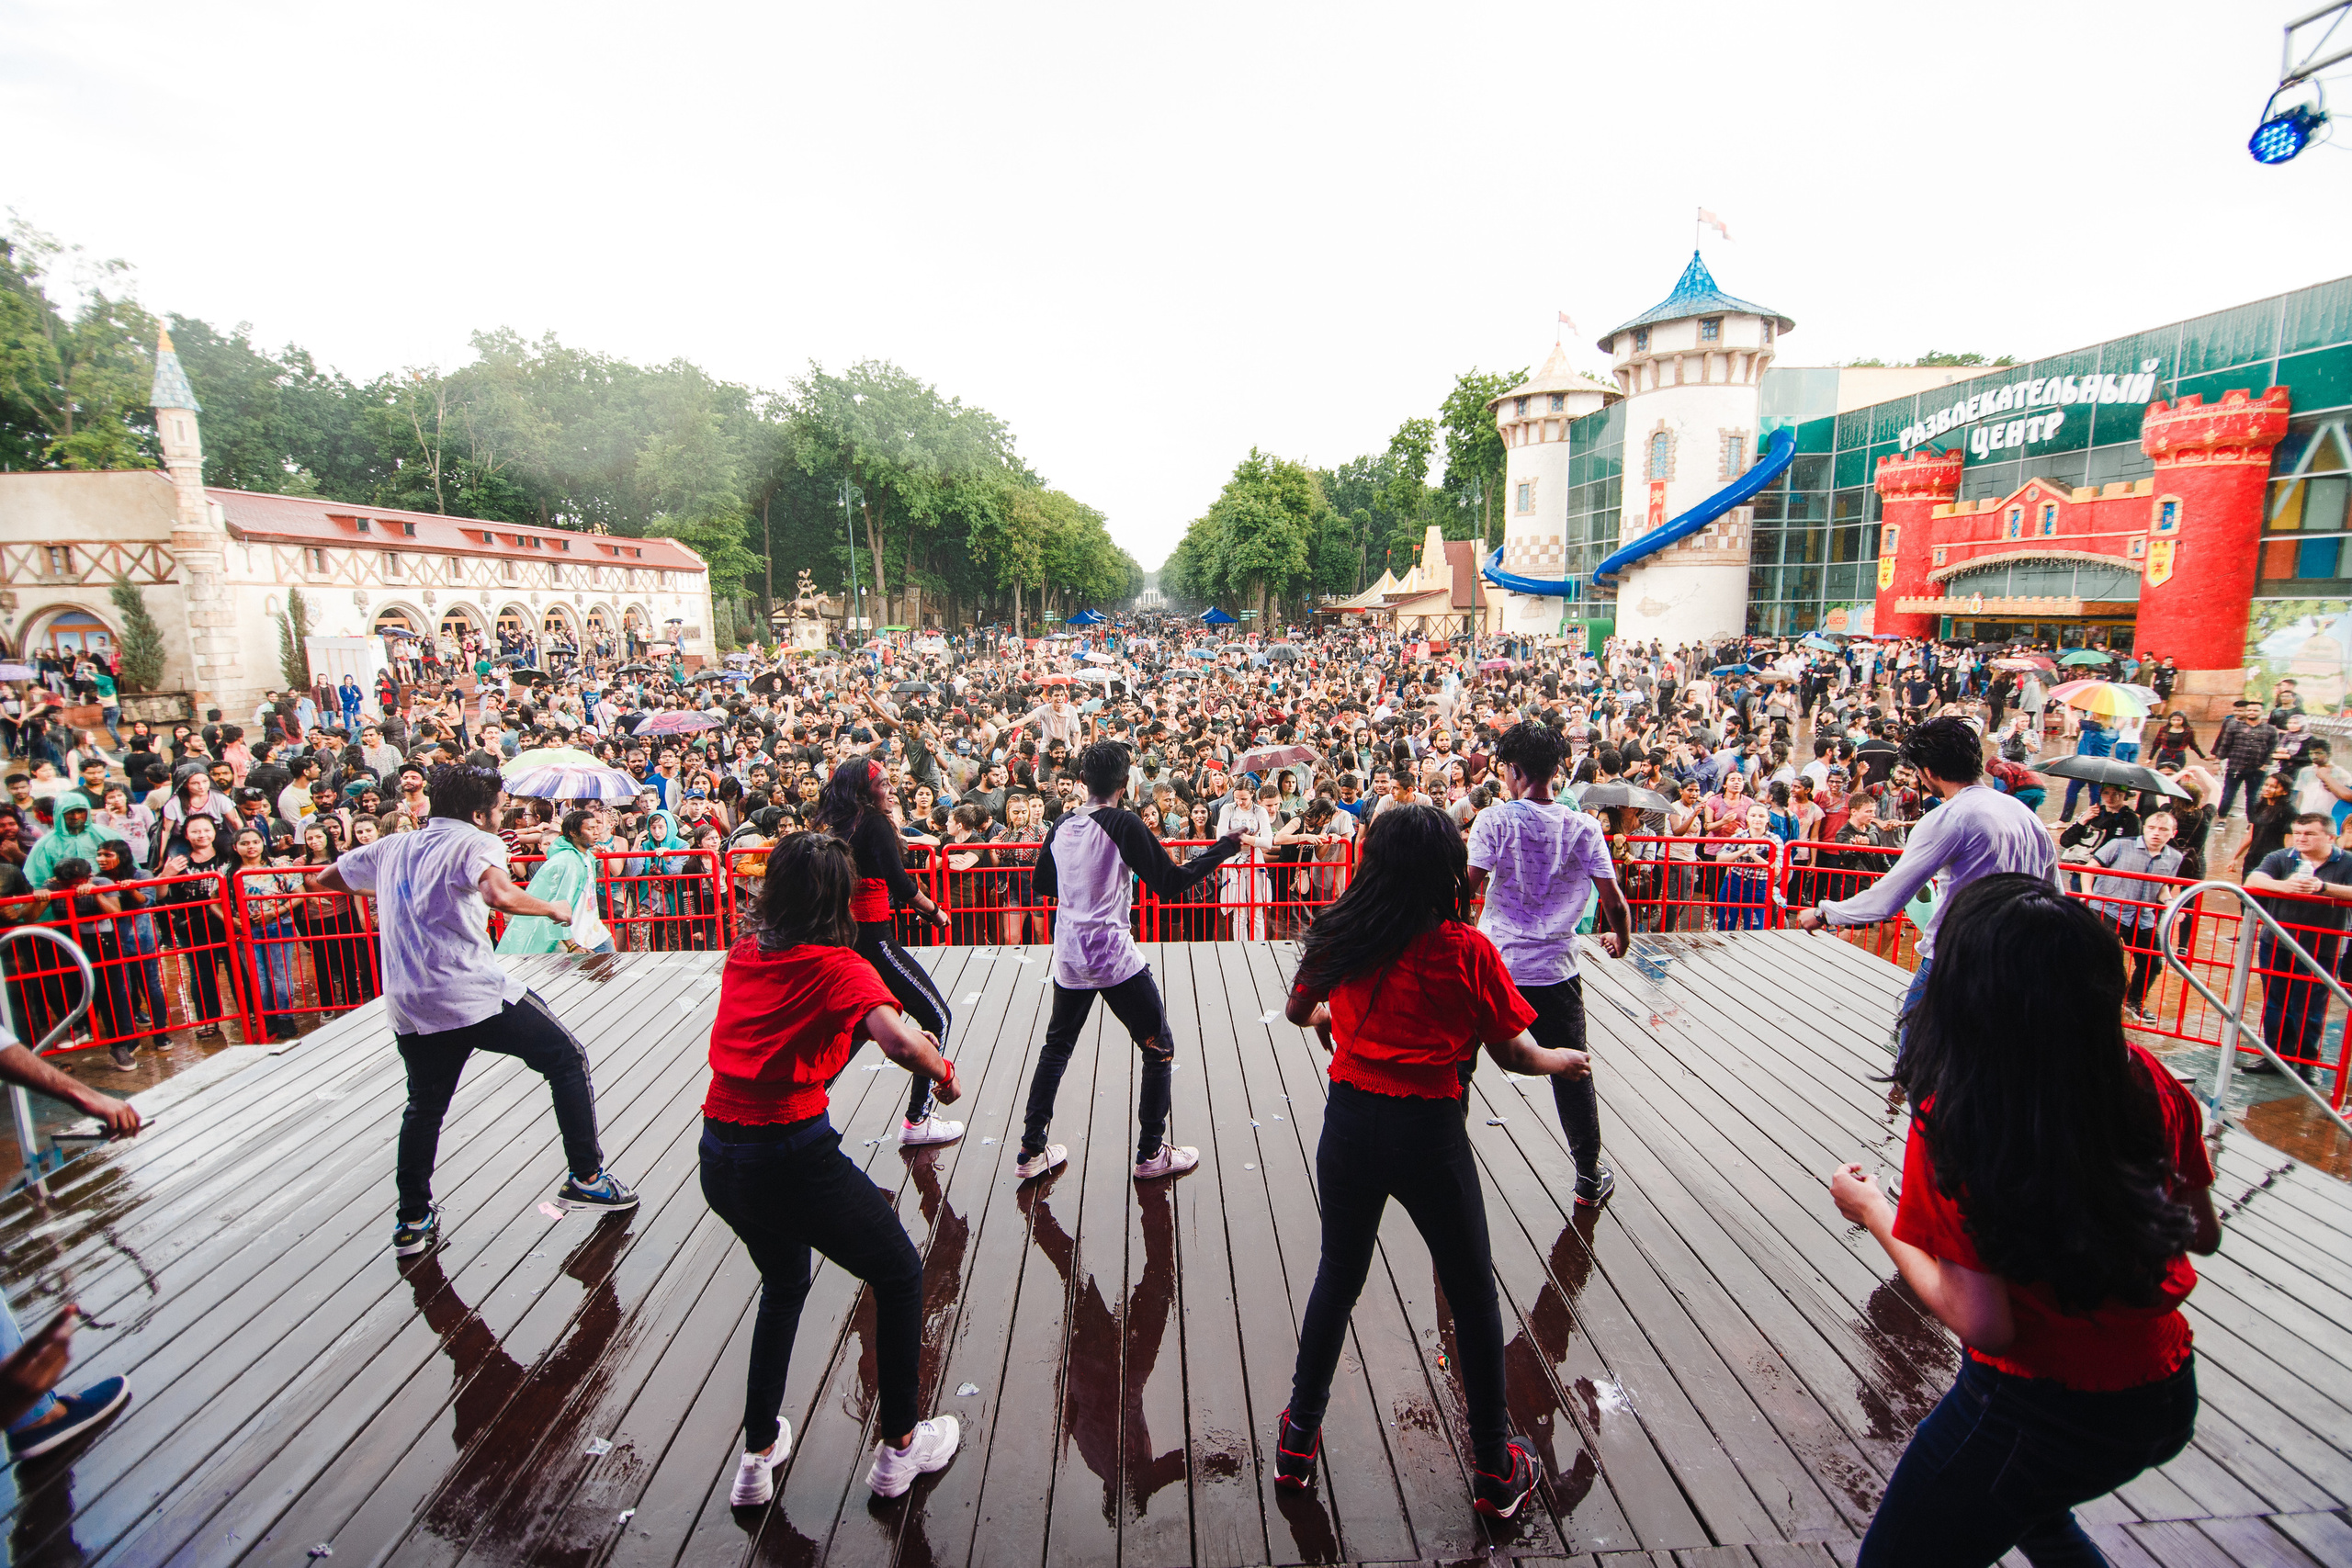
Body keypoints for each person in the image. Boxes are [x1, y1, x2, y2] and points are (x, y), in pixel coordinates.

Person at [1828, 874, 2218, 1567]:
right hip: (2163, 1382)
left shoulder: (1957, 1119)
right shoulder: (2149, 1079)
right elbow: (2203, 1232)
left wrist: (1875, 1211)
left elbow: (1986, 1323)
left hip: (2037, 1403)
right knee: (2032, 1512)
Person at [1273, 804, 1591, 1519]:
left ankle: (1296, 1444)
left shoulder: (1340, 932)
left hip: (1349, 1124)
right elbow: (1514, 1052)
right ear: (1447, 870)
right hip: (1430, 1134)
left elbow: (1301, 1012)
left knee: (1338, 1276)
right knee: (1474, 1294)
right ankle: (1493, 1469)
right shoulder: (1466, 949)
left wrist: (1337, 1022)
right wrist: (1561, 1061)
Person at [699, 830, 964, 1507]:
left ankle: (756, 1457)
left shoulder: (745, 952)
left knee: (784, 1281)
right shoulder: (842, 966)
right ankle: (901, 1448)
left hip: (720, 1155)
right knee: (901, 1271)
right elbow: (897, 1038)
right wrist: (943, 1072)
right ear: (840, 896)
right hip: (791, 1153)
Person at [308, 761, 639, 1256]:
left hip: (409, 1001)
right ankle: (587, 1176)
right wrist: (553, 908)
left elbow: (326, 878)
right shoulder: (475, 843)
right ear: (481, 814)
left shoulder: (393, 846)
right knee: (566, 1059)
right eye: (500, 810)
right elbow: (499, 894)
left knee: (424, 1106)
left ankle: (412, 1220)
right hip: (469, 991)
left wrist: (402, 892)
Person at [1013, 741, 1244, 1182]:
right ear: (1125, 783)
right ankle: (1151, 1153)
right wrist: (1223, 847)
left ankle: (1030, 1152)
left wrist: (1084, 888)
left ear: (1082, 781)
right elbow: (1171, 883)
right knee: (1159, 1048)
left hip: (1069, 956)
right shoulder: (1123, 822)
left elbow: (1044, 882)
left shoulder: (1062, 823)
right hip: (1113, 956)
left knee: (1055, 1049)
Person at [1796, 717, 2059, 1055]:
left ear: (1929, 772)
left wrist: (1825, 912)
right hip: (2021, 959)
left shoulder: (1950, 818)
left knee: (1917, 1048)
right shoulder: (2025, 815)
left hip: (1956, 957)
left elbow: (1890, 896)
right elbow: (2055, 892)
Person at [1463, 722, 1630, 1207]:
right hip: (1557, 969)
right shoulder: (1584, 826)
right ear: (1556, 769)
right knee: (1572, 1070)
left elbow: (1466, 888)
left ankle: (1445, 1153)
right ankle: (1587, 1175)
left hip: (1494, 966)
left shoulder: (1495, 820)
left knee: (1459, 1061)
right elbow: (1613, 899)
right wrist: (1620, 938)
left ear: (1514, 771)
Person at [813, 758, 963, 1148]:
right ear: (865, 792)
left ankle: (805, 1110)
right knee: (938, 1017)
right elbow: (899, 882)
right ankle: (918, 1119)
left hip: (847, 939)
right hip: (873, 940)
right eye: (884, 784)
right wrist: (934, 911)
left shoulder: (842, 824)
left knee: (859, 1029)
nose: (892, 790)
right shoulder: (874, 823)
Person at [2242, 812, 2352, 1082]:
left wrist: (2324, 887)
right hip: (2277, 941)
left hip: (2324, 946)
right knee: (2275, 1000)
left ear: (2330, 836)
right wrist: (2284, 886)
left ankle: (2307, 1062)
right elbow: (2252, 881)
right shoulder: (2282, 857)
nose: (2301, 839)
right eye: (2298, 833)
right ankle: (2276, 1056)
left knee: (2312, 1006)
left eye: (2309, 834)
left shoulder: (2347, 862)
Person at [2087, 810, 2185, 1023]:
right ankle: (2094, 1003)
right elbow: (2090, 868)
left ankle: (2134, 1001)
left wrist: (2170, 903)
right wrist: (2088, 895)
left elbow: (2162, 887)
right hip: (2109, 907)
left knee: (2153, 963)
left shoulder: (2174, 857)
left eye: (2163, 830)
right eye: (2151, 828)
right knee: (2104, 958)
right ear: (2144, 828)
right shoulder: (2120, 845)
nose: (2156, 833)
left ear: (2172, 833)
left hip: (2142, 916)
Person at [495, 808, 610, 955]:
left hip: (593, 931)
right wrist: (571, 945)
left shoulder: (585, 856)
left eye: (596, 827)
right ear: (573, 833)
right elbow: (560, 903)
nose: (596, 833)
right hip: (572, 937)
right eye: (590, 829)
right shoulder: (568, 862)